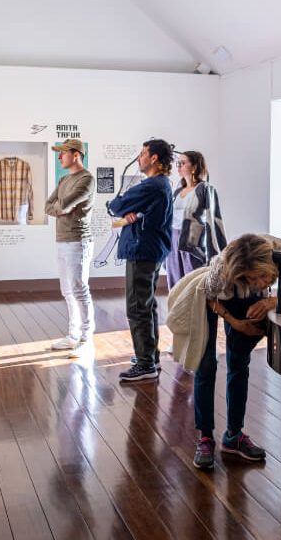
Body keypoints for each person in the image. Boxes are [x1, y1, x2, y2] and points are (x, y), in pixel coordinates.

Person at [192, 234, 281, 470]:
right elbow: (208, 297)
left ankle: (233, 436)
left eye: (263, 277)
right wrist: (234, 322)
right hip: (214, 301)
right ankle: (205, 437)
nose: (260, 283)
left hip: (248, 297)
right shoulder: (222, 266)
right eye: (253, 278)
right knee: (206, 366)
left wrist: (269, 302)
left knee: (238, 363)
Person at [107, 139, 174, 382]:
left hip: (143, 250)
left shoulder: (152, 185)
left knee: (137, 307)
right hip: (149, 249)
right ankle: (149, 357)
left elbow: (116, 205)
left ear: (154, 158)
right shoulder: (160, 184)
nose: (139, 158)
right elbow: (123, 208)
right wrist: (127, 211)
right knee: (146, 305)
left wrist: (122, 208)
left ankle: (146, 364)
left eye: (143, 153)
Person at [45, 139, 96, 357]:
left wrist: (61, 207)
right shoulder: (65, 179)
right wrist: (60, 208)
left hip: (78, 240)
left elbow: (63, 204)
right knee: (67, 290)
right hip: (62, 239)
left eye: (62, 153)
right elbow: (49, 206)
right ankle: (73, 334)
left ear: (76, 155)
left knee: (79, 288)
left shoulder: (87, 179)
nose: (59, 157)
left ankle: (86, 337)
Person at [166, 151, 227, 289]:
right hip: (173, 241)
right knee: (175, 285)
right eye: (178, 163)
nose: (178, 166)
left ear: (194, 167)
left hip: (192, 243)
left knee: (193, 285)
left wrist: (217, 253)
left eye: (183, 163)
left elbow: (214, 220)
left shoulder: (205, 189)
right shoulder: (177, 191)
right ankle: (177, 311)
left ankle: (196, 310)